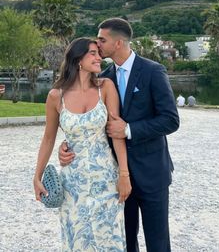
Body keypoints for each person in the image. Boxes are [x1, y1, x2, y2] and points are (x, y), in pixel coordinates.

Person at [59, 19, 179, 252]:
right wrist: (67, 145)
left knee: (158, 242)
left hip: (152, 172)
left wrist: (129, 130)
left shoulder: (153, 71)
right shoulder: (103, 79)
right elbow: (91, 123)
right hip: (115, 177)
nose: (98, 44)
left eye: (102, 40)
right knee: (125, 241)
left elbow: (171, 120)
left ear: (118, 42)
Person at [33, 38, 131, 251]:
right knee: (77, 239)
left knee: (109, 238)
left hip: (106, 178)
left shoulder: (105, 87)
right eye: (93, 54)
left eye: (98, 53)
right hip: (72, 183)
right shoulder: (55, 96)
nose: (99, 58)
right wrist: (37, 176)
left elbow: (116, 134)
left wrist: (124, 175)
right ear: (78, 59)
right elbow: (48, 138)